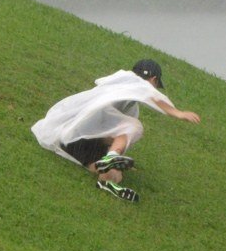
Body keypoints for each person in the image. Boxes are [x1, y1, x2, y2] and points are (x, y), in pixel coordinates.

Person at [31, 59, 201, 202]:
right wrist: (177, 112)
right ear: (153, 79)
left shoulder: (122, 93)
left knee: (115, 174)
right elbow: (149, 94)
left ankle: (106, 180)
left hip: (74, 141)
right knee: (135, 127)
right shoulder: (132, 80)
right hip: (78, 131)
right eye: (156, 84)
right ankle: (111, 158)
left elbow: (114, 134)